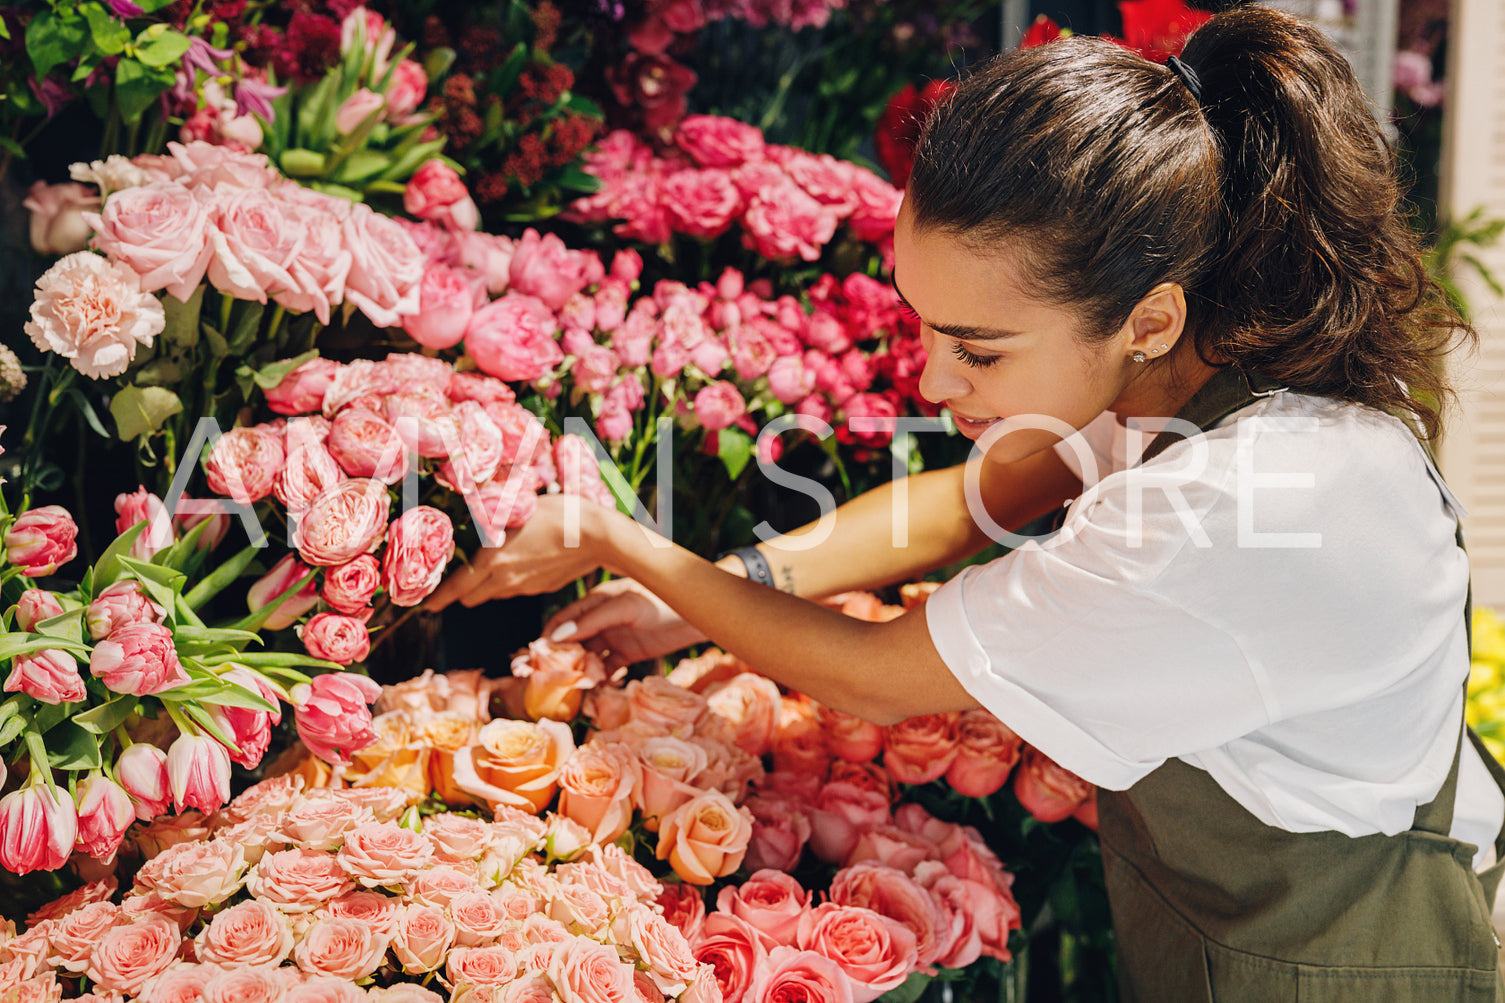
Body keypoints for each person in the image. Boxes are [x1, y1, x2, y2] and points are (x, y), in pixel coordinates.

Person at [428, 7, 1505, 998]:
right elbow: (955, 507)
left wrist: (626, 544)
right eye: (922, 325)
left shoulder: (1234, 506)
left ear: (1145, 315)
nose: (934, 383)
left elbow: (874, 675)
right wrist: (732, 586)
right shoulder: (1193, 361)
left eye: (977, 349)